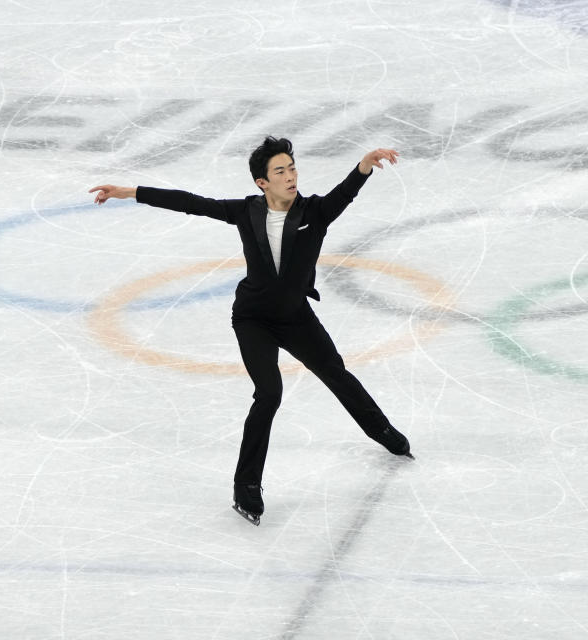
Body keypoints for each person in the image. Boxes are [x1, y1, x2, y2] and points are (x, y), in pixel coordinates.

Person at [90, 136, 412, 526]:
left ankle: (382, 431)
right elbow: (192, 203)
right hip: (252, 320)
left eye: (292, 167)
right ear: (262, 182)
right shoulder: (247, 212)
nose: (291, 176)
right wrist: (131, 192)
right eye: (281, 171)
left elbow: (344, 194)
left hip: (296, 317)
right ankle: (246, 486)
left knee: (335, 373)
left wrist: (364, 165)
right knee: (269, 393)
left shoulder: (316, 211)